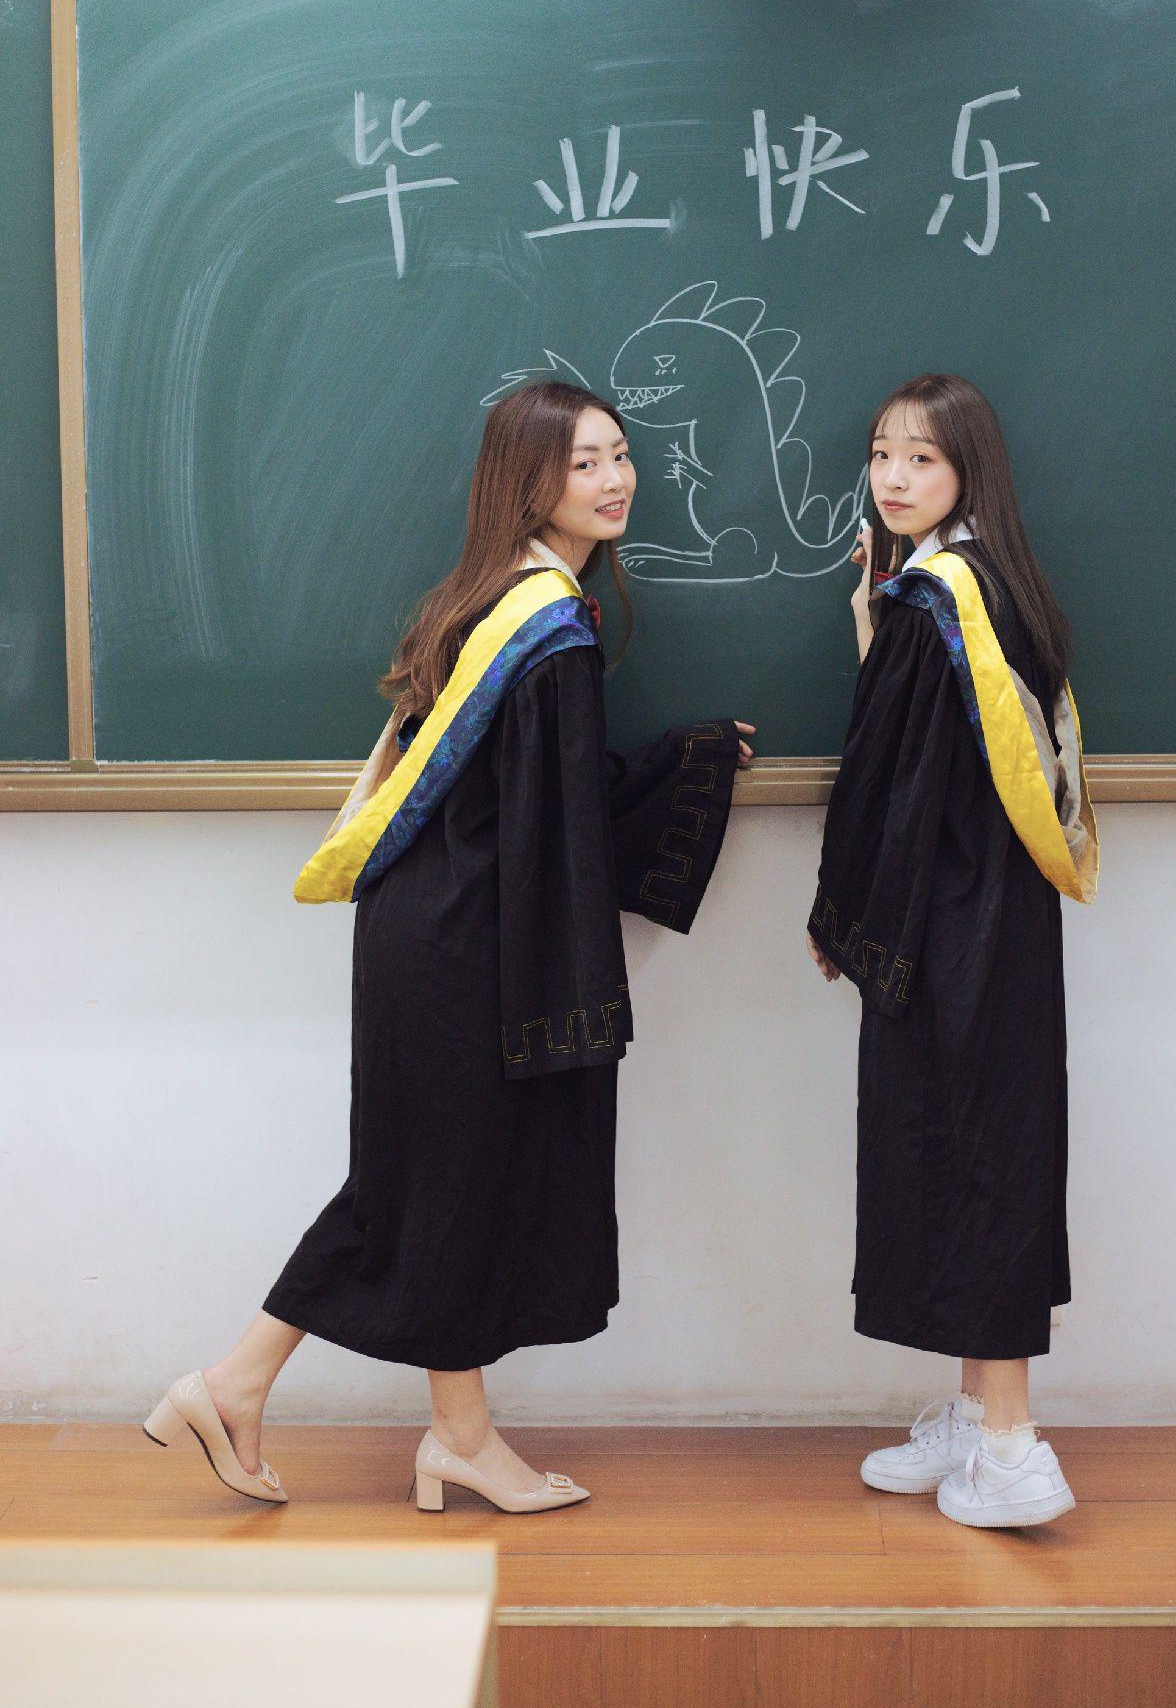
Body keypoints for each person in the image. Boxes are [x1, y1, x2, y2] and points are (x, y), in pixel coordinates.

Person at [143, 381, 754, 1514]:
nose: (614, 479)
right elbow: (558, 811)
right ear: (528, 480)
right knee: (427, 1184)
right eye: (582, 463)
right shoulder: (548, 628)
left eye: (619, 455)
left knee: (436, 1183)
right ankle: (237, 1386)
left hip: (426, 931)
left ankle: (441, 1434)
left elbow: (535, 790)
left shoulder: (481, 598)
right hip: (472, 947)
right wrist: (692, 765)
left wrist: (680, 759)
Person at [806, 373, 1097, 1530]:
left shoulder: (940, 599)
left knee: (977, 1157)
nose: (892, 476)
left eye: (920, 457)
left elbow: (890, 782)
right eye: (882, 453)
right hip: (993, 917)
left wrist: (842, 916)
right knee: (977, 1144)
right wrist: (872, 621)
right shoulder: (984, 582)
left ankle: (1015, 1446)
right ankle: (979, 1416)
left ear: (969, 469)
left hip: (949, 925)